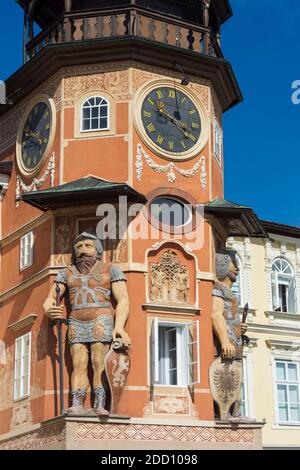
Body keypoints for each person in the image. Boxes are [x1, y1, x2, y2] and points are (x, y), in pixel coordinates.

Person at [43, 231, 131, 416]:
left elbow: (123, 300)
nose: (83, 251)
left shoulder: (111, 269)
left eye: (88, 246)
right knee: (79, 364)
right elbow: (50, 299)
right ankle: (77, 403)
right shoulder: (66, 273)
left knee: (99, 362)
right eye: (79, 247)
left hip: (101, 318)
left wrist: (119, 327)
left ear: (97, 250)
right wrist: (50, 310)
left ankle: (99, 404)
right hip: (76, 321)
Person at [211, 249, 248, 422]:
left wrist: (240, 327)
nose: (237, 270)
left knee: (237, 376)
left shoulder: (230, 292)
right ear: (223, 266)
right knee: (226, 377)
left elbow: (229, 316)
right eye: (233, 265)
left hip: (237, 341)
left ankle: (236, 411)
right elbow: (216, 314)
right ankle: (225, 413)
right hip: (227, 344)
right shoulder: (217, 289)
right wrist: (224, 341)